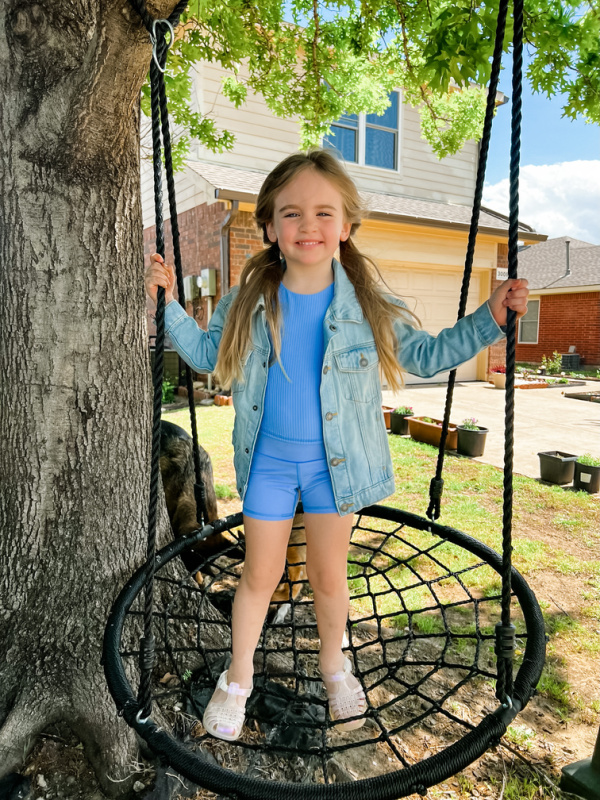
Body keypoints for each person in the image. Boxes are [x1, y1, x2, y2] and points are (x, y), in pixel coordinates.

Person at [145, 149, 529, 742]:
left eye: (325, 213)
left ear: (346, 226)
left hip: (336, 467)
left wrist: (489, 319)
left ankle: (334, 666)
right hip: (271, 463)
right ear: (270, 227)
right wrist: (168, 305)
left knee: (329, 578)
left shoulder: (364, 302)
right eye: (291, 213)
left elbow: (424, 355)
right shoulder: (247, 300)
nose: (308, 226)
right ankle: (238, 677)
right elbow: (204, 357)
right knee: (258, 575)